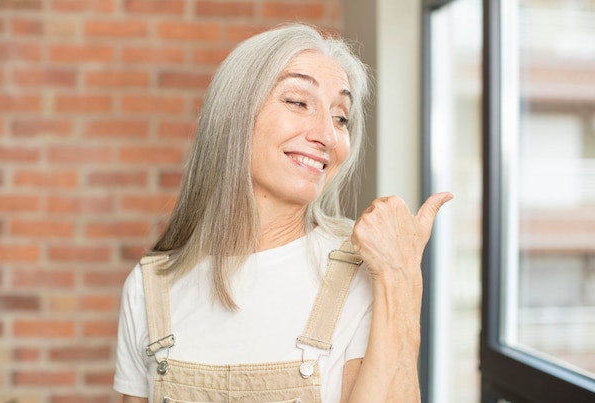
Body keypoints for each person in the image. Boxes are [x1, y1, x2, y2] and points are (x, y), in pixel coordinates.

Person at [113, 23, 452, 403]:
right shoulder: (150, 288)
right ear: (233, 116)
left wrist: (400, 279)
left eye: (341, 116)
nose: (327, 135)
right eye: (298, 102)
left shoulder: (363, 275)